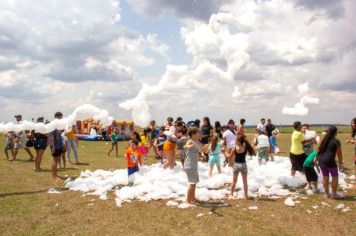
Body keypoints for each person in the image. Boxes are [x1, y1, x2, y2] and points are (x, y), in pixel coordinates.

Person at [317, 126, 344, 199]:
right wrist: (341, 162)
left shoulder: (324, 140)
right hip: (329, 161)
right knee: (335, 176)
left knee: (325, 176)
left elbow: (318, 150)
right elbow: (339, 153)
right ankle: (334, 194)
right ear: (335, 132)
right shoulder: (336, 141)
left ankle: (326, 194)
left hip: (321, 160)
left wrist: (316, 159)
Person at [183, 127, 202, 204]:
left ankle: (193, 198)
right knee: (192, 183)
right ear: (193, 134)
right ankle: (188, 200)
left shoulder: (196, 142)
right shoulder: (190, 141)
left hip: (193, 165)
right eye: (198, 133)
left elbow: (195, 153)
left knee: (194, 183)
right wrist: (188, 146)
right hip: (190, 165)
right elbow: (185, 146)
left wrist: (200, 157)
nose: (199, 134)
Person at [49, 112, 66, 181]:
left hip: (60, 144)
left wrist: (64, 144)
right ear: (58, 117)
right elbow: (51, 137)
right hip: (55, 145)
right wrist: (52, 146)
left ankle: (56, 174)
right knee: (55, 160)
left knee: (58, 159)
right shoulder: (53, 125)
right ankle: (54, 175)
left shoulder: (60, 125)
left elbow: (63, 135)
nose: (62, 119)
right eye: (61, 117)